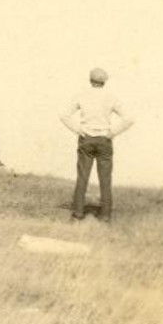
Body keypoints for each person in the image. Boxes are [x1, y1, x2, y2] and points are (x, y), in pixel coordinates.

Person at [61, 67, 134, 223]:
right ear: (104, 82)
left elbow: (64, 115)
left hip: (86, 139)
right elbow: (129, 119)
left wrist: (78, 130)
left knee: (82, 177)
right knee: (105, 178)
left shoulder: (81, 95)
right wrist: (112, 132)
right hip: (104, 140)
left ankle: (77, 214)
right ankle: (105, 215)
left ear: (90, 80)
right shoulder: (111, 97)